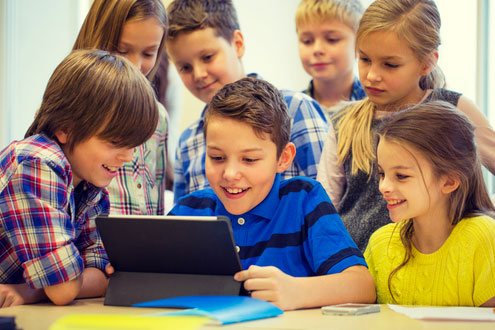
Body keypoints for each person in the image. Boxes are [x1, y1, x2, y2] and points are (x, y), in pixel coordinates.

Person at [169, 77, 375, 311]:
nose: (230, 173)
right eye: (217, 157)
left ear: (283, 158)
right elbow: (141, 279)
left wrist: (297, 291)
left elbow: (362, 286)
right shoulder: (188, 211)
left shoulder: (303, 200)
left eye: (249, 159)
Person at [316, 0, 495, 251]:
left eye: (390, 64)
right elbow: (325, 208)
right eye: (365, 59)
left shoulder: (454, 108)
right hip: (359, 266)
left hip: (443, 264)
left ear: (427, 63)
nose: (371, 75)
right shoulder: (343, 122)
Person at [0, 49, 158, 307]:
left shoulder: (91, 186)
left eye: (134, 144)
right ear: (65, 129)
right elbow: (63, 290)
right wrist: (55, 285)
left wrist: (31, 291)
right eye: (116, 141)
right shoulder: (37, 162)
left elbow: (102, 275)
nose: (128, 157)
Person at [166, 0, 329, 203]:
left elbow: (328, 201)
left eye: (207, 57)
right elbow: (185, 224)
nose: (198, 74)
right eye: (185, 67)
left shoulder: (296, 109)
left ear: (238, 44)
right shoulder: (187, 142)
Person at [365, 101, 495, 306]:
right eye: (382, 173)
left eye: (401, 176)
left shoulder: (482, 236)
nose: (383, 186)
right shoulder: (380, 243)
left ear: (449, 181)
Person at [73, 0, 169, 215]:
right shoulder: (72, 107)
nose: (135, 66)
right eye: (121, 50)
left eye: (148, 54)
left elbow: (157, 205)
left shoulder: (159, 117)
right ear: (96, 38)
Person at [296, 0, 366, 118]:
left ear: (360, 43)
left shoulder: (378, 107)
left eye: (332, 39)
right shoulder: (290, 109)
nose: (317, 49)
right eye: (307, 41)